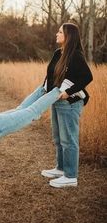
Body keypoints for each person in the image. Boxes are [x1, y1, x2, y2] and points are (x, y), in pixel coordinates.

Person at [41, 21, 93, 188]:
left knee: (68, 139)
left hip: (70, 103)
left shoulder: (75, 55)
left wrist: (68, 92)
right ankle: (61, 169)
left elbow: (87, 77)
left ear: (68, 37)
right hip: (56, 101)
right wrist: (46, 93)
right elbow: (50, 75)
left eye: (60, 32)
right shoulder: (58, 53)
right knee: (58, 138)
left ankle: (70, 176)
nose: (57, 34)